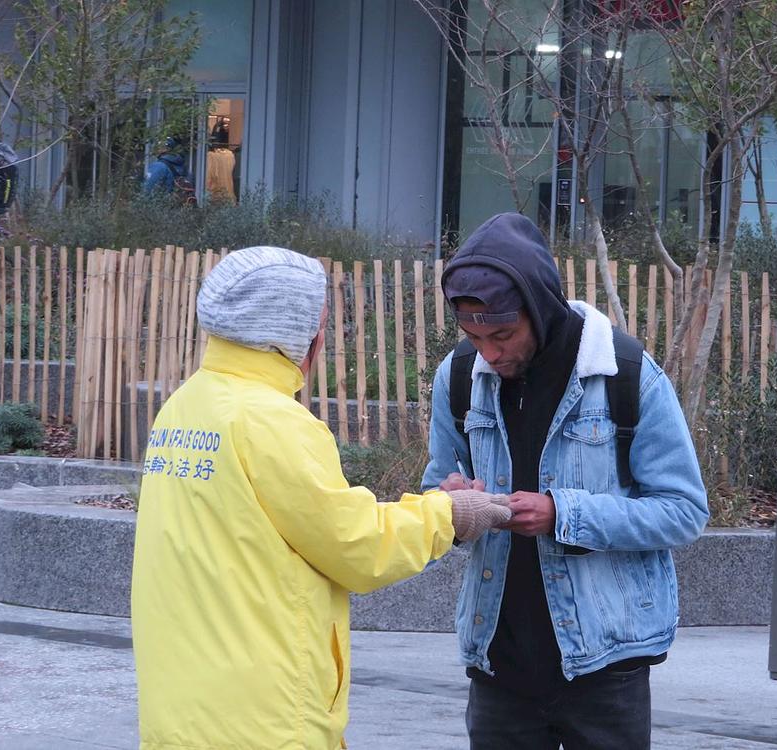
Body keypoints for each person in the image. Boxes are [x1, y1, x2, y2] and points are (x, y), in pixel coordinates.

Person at [131, 245, 510, 750]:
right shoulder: (273, 421)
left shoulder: (186, 406)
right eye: (321, 322)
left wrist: (429, 505)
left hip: (184, 711)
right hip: (262, 719)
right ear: (293, 331)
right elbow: (354, 547)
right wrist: (452, 514)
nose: (324, 337)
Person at [422, 213, 709, 749]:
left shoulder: (626, 374)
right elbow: (434, 489)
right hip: (497, 664)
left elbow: (684, 511)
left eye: (503, 334)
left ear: (539, 307)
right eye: (473, 336)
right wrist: (449, 511)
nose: (489, 352)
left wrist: (564, 515)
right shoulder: (458, 377)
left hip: (606, 668)